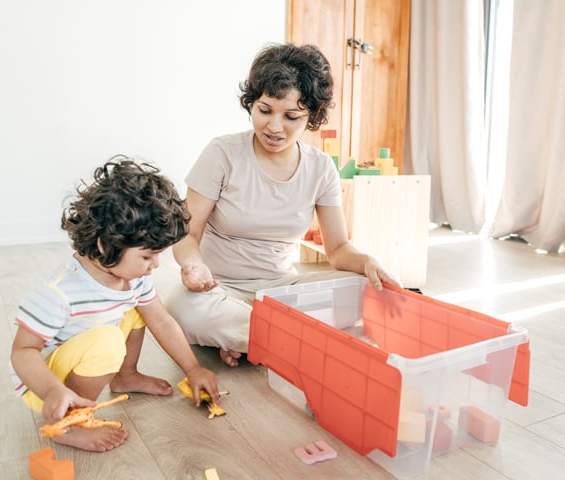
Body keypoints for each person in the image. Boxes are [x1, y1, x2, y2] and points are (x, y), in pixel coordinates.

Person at [165, 43, 399, 368]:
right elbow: (187, 235)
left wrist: (366, 261)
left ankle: (252, 339)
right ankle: (286, 340)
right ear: (252, 104)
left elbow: (338, 248)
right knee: (184, 307)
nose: (275, 127)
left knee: (365, 291)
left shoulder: (320, 168)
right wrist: (193, 266)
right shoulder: (222, 153)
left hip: (284, 292)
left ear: (312, 116)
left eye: (291, 116)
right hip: (221, 289)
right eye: (265, 111)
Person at [10, 156, 219, 452]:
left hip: (82, 358)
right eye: (147, 257)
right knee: (107, 340)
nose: (155, 265)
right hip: (45, 385)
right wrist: (53, 391)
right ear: (105, 245)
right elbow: (22, 352)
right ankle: (70, 423)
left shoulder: (133, 278)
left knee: (138, 310)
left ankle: (125, 376)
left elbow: (160, 319)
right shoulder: (60, 293)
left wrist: (192, 368)